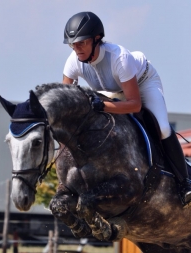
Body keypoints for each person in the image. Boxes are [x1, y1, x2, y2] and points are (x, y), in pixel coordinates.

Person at [62, 11, 191, 208]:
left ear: (97, 39)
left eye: (81, 42)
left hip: (142, 83)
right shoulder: (73, 61)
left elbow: (134, 104)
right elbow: (67, 102)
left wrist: (103, 106)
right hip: (111, 90)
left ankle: (185, 183)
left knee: (162, 128)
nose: (76, 48)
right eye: (72, 44)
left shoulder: (118, 57)